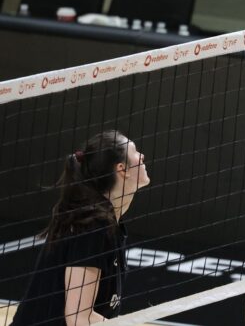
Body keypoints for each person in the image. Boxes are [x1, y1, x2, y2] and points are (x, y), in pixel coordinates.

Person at [12, 131, 149, 326]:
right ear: (122, 169)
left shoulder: (108, 222)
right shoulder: (92, 227)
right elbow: (79, 318)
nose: (142, 156)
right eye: (135, 152)